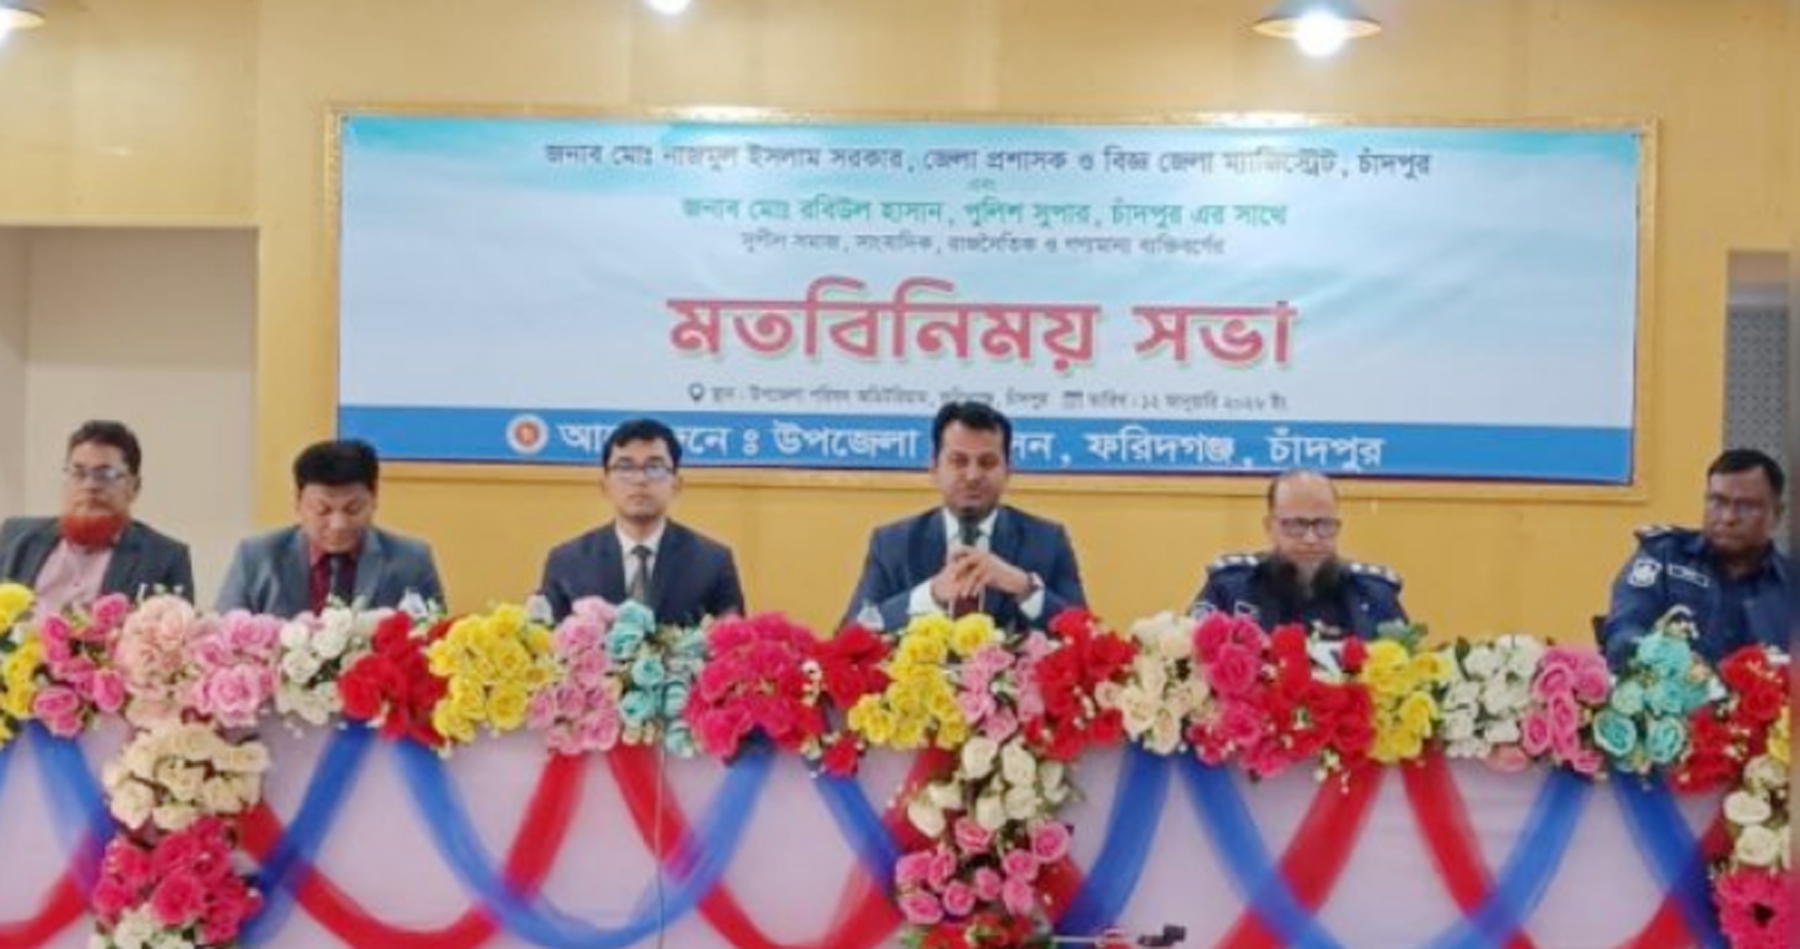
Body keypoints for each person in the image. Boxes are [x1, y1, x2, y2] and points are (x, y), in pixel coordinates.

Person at [844, 401, 1085, 633]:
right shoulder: (893, 543)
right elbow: (852, 633)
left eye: (987, 463)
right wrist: (930, 595)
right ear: (934, 468)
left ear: (1008, 470)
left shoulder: (1047, 541)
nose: (972, 476)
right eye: (958, 461)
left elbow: (1085, 633)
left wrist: (1024, 588)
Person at [538, 418, 744, 624]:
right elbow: (546, 638)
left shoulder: (712, 562)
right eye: (625, 468)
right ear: (605, 485)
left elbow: (735, 639)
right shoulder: (568, 562)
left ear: (676, 484)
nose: (640, 480)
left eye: (654, 467)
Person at [1599, 448, 1791, 666]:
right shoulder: (1663, 558)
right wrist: (1668, 661)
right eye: (1717, 501)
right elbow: (1624, 632)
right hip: (1670, 686)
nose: (1728, 517)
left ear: (1777, 514)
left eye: (1746, 506)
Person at [216, 439, 444, 616]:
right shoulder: (256, 557)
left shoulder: (411, 560)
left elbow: (432, 645)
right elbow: (223, 642)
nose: (338, 524)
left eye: (353, 509)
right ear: (298, 501)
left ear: (374, 497)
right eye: (322, 510)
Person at [0, 420, 193, 613]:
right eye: (78, 473)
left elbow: (176, 630)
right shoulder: (16, 536)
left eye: (105, 475)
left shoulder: (164, 558)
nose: (90, 486)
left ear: (134, 487)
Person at [1190, 469, 1405, 638]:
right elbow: (1189, 663)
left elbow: (1406, 673)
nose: (1311, 538)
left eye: (1324, 524)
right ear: (1269, 527)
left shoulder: (1374, 596)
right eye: (1296, 524)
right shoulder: (1229, 588)